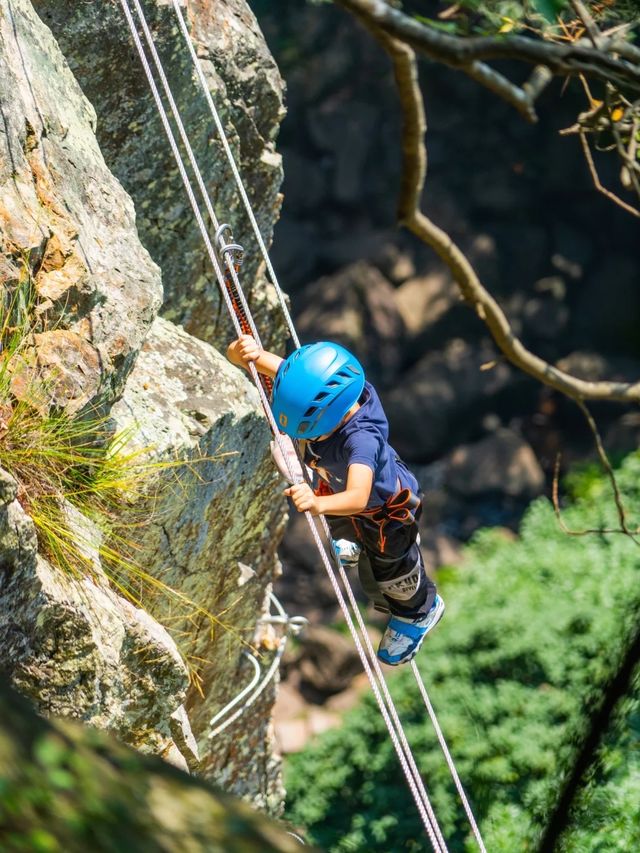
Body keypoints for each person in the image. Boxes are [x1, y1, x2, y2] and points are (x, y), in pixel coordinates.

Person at [227, 334, 444, 666]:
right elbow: (287, 374)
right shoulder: (325, 392)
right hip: (337, 484)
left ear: (331, 418)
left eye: (308, 433)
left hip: (386, 512)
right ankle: (352, 542)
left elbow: (357, 497)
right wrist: (251, 355)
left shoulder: (362, 441)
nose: (306, 437)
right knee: (341, 525)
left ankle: (419, 612)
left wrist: (316, 503)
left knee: (391, 572)